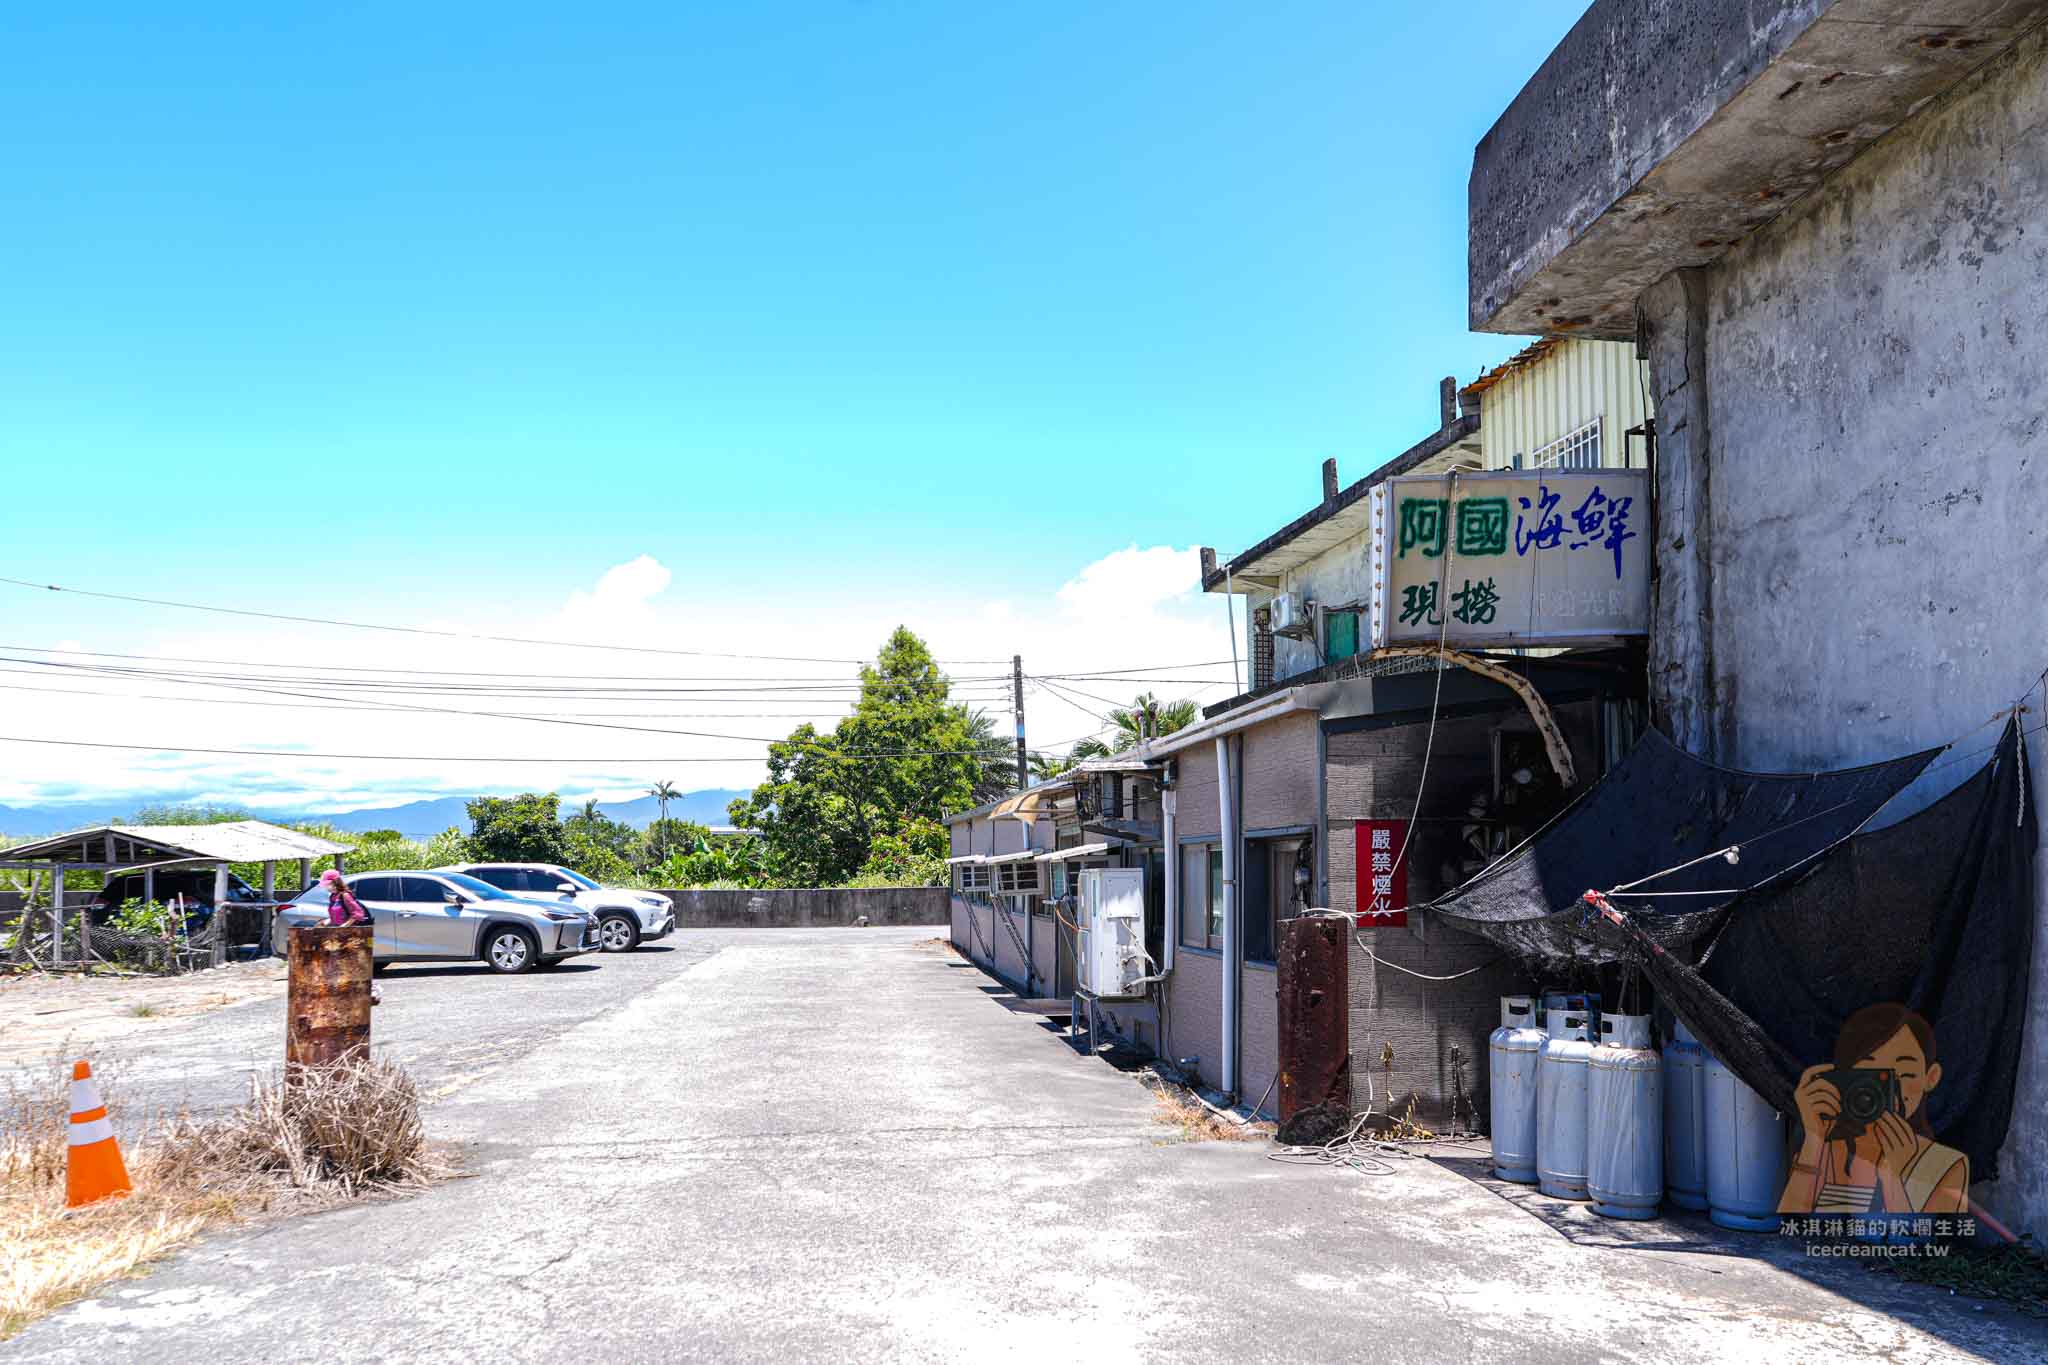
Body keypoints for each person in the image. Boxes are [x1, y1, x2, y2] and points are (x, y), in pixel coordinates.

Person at [1778, 1003, 1969, 1217]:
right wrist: (1814, 1139)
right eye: (1869, 1075)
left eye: (1903, 1073)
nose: (1883, 1092)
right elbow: (1794, 1220)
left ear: (1930, 1077)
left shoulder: (1944, 1164)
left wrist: (1895, 1176)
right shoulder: (1825, 1145)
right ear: (1844, 1076)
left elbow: (1908, 1241)